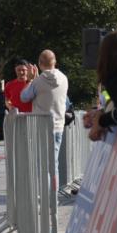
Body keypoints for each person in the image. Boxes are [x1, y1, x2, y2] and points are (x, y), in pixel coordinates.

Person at [20, 49, 70, 187]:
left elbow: (24, 97)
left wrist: (31, 80)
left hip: (41, 127)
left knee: (41, 164)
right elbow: (64, 102)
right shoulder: (64, 79)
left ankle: (44, 193)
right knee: (54, 163)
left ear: (40, 63)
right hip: (58, 126)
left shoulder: (37, 81)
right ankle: (53, 195)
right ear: (55, 62)